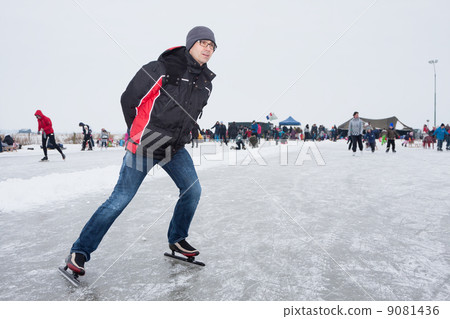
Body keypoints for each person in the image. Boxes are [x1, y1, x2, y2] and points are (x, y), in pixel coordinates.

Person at [65, 26, 217, 276]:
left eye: (212, 46)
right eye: (203, 43)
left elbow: (190, 112)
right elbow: (129, 99)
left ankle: (177, 238)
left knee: (192, 190)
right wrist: (137, 132)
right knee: (120, 200)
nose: (208, 49)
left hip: (173, 149)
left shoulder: (205, 83)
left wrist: (189, 132)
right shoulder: (162, 68)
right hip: (145, 146)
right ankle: (79, 251)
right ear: (190, 44)